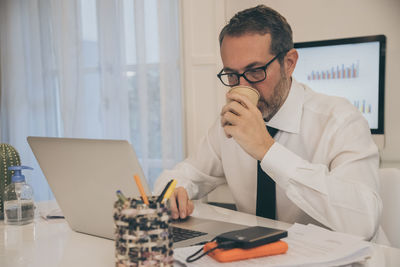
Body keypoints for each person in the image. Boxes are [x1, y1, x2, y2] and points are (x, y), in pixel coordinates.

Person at [154, 5, 383, 241]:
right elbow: (185, 174)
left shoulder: (340, 120)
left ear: (289, 63)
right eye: (232, 75)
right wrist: (173, 192)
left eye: (255, 71)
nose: (243, 87)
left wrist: (267, 149)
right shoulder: (232, 124)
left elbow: (363, 221)